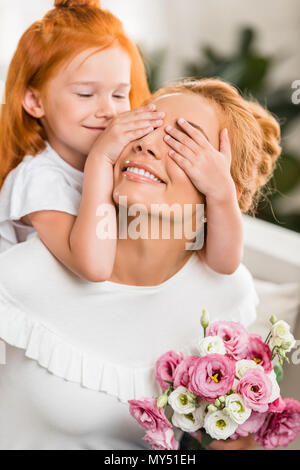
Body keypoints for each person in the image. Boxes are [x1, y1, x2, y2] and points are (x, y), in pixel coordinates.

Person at [0, 79, 281, 450]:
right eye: (143, 126)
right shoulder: (22, 276)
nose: (147, 143)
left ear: (223, 188)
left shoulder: (227, 294)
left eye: (180, 141)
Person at [0, 1, 258, 280]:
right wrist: (101, 159)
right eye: (86, 94)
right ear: (34, 101)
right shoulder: (38, 179)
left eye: (120, 95)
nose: (108, 110)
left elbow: (223, 264)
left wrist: (221, 194)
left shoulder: (129, 160)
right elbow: (96, 268)